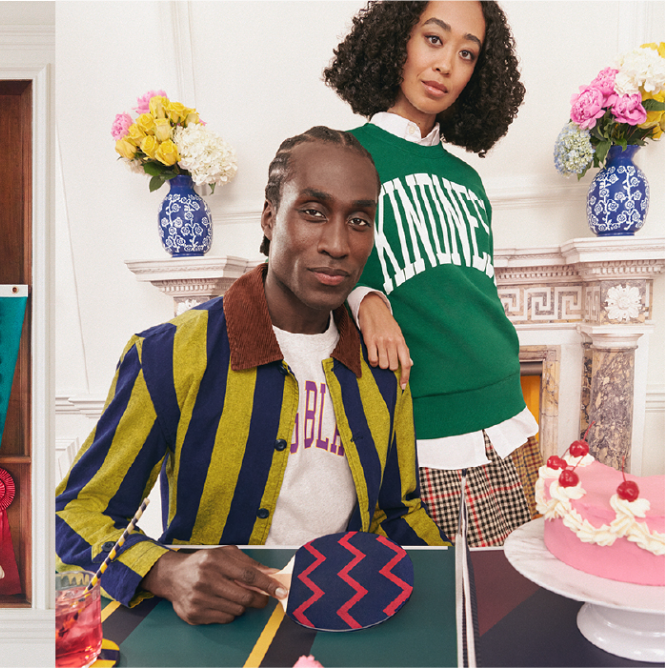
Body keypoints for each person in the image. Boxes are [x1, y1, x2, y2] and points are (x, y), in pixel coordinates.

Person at [56, 127, 447, 626]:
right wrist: (164, 570)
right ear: (269, 219)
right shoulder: (170, 354)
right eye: (313, 212)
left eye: (359, 220)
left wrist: (452, 598)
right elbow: (76, 512)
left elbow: (399, 511)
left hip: (347, 611)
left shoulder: (382, 364)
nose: (337, 244)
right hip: (217, 626)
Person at [323, 0, 536, 547]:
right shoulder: (344, 156)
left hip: (509, 416)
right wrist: (366, 299)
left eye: (467, 54)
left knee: (513, 603)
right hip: (427, 430)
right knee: (438, 605)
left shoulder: (467, 179)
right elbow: (309, 259)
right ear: (396, 40)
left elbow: (473, 292)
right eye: (434, 39)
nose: (447, 65)